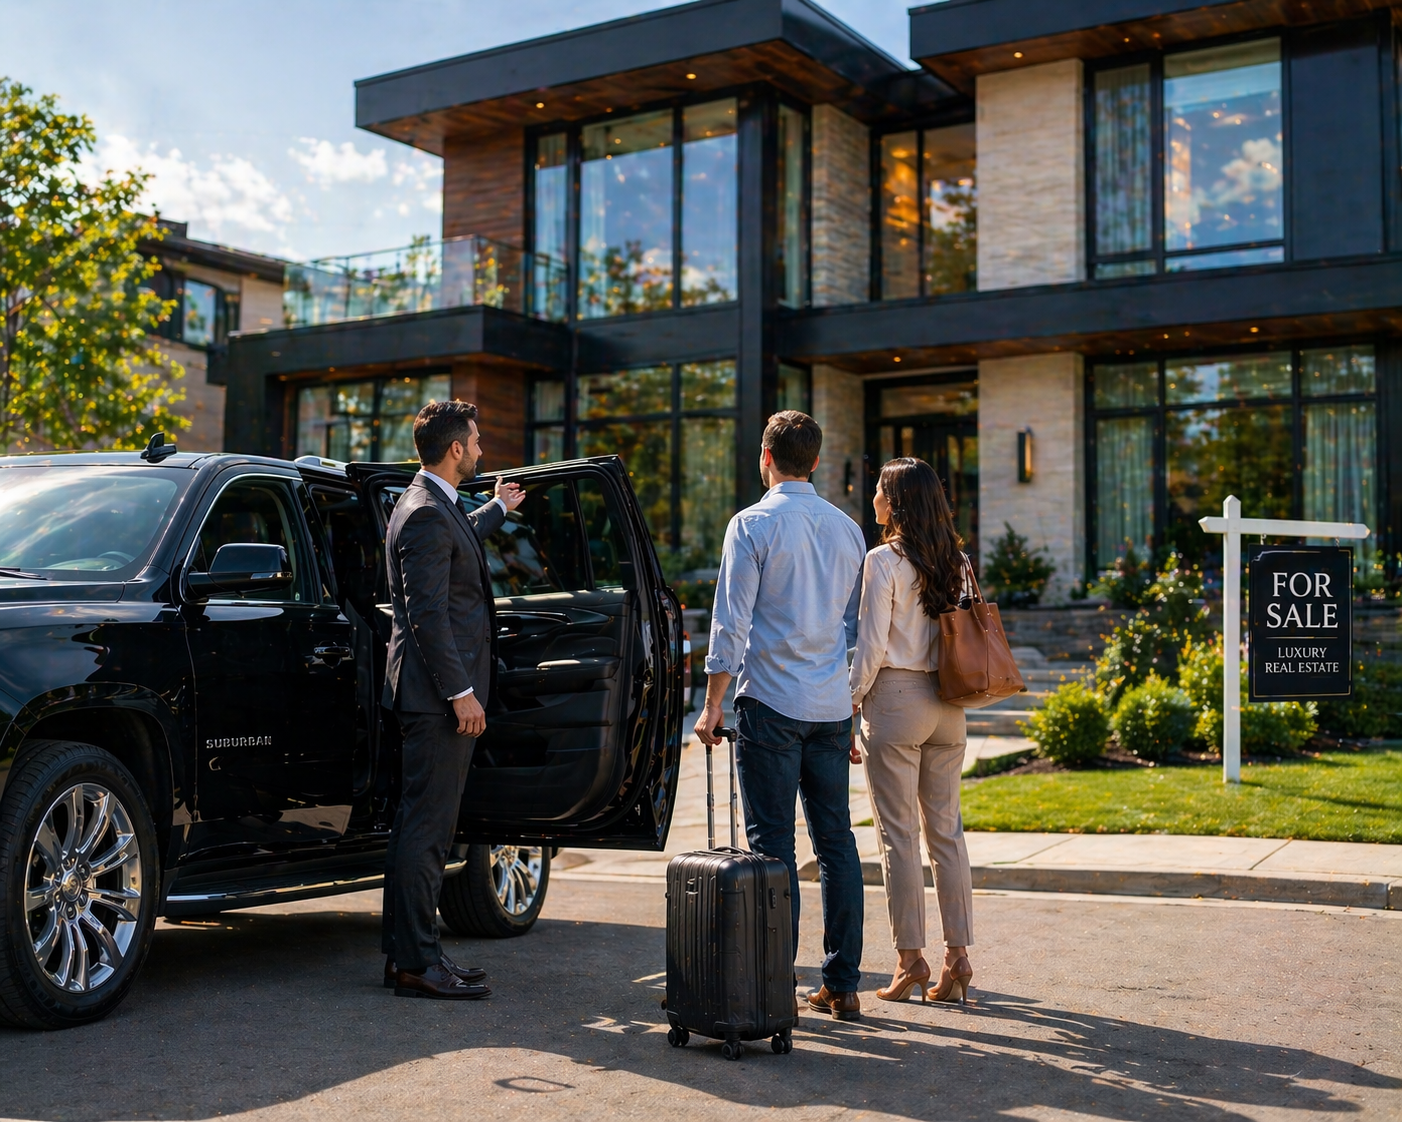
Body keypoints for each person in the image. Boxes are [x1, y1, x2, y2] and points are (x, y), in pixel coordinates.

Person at [695, 410, 867, 1021]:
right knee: (837, 842)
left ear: (766, 457)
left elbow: (731, 621)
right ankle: (842, 983)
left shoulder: (751, 524)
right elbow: (854, 628)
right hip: (829, 706)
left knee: (773, 848)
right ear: (814, 461)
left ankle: (773, 984)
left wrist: (712, 704)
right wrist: (850, 704)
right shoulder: (849, 530)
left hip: (770, 701)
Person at [381, 399, 525, 1000]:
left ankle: (409, 956)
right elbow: (427, 616)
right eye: (476, 440)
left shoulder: (435, 505)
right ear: (456, 449)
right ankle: (417, 963)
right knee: (426, 832)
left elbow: (459, 537)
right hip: (435, 700)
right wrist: (461, 693)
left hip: (429, 696)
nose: (482, 449)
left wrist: (498, 507)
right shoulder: (424, 513)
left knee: (422, 828)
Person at [850, 457, 974, 1006]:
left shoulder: (883, 560)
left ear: (896, 501)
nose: (873, 497)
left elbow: (871, 646)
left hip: (897, 699)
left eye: (879, 489)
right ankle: (958, 957)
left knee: (898, 836)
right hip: (950, 701)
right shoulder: (957, 560)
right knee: (947, 835)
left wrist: (850, 702)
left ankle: (910, 961)